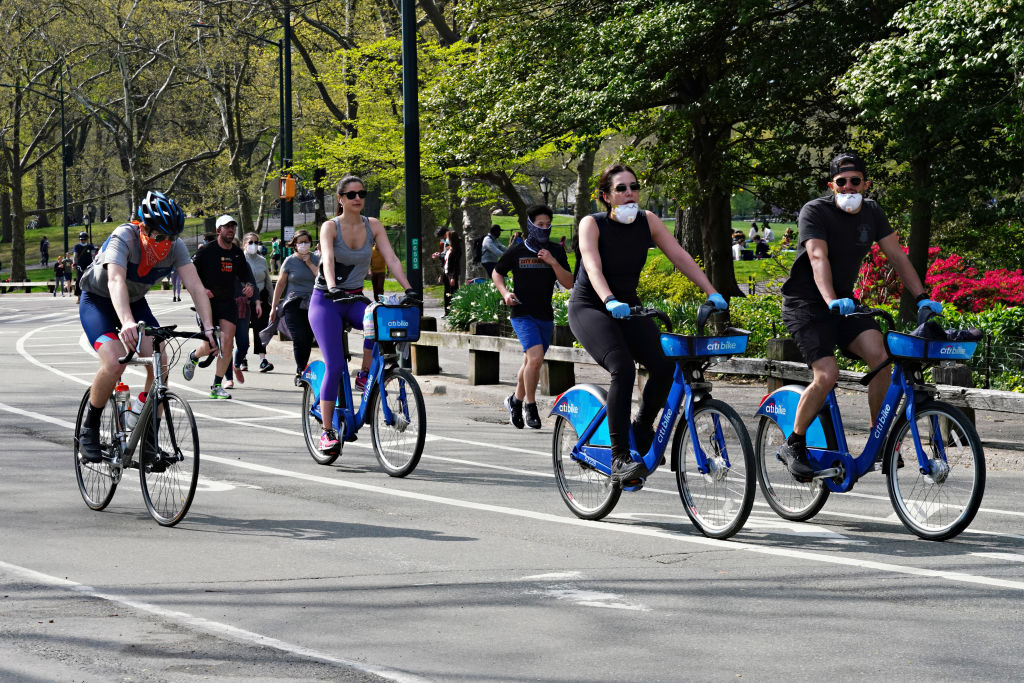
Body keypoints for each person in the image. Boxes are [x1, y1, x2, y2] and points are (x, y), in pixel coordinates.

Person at [776, 152, 942, 480]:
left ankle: (877, 438)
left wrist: (923, 298)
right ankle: (793, 442)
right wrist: (830, 299)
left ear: (866, 184)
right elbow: (817, 256)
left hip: (845, 305)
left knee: (882, 357)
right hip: (806, 304)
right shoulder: (815, 211)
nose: (849, 187)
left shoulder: (872, 213)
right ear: (831, 185)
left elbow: (896, 255)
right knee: (827, 374)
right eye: (842, 182)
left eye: (856, 181)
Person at [569, 164, 726, 485]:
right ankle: (619, 458)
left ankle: (642, 427)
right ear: (606, 196)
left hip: (628, 306)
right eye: (621, 188)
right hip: (591, 306)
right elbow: (592, 265)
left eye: (634, 187)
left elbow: (679, 256)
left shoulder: (648, 221)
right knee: (623, 368)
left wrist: (712, 291)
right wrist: (609, 299)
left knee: (666, 364)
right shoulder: (592, 224)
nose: (629, 193)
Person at [76, 190, 216, 463]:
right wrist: (126, 322)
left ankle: (148, 439)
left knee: (160, 362)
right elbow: (115, 281)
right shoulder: (124, 237)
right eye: (160, 237)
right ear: (143, 227)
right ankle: (88, 430)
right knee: (115, 362)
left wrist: (209, 329)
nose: (166, 243)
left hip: (136, 302)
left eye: (172, 237)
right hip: (99, 301)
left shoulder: (175, 248)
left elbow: (196, 287)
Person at [309, 175, 418, 456]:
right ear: (341, 199)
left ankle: (365, 373)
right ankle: (327, 432)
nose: (358, 198)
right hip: (327, 301)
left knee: (377, 317)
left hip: (355, 297)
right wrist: (332, 286)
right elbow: (328, 259)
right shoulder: (330, 227)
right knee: (334, 365)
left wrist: (408, 288)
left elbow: (391, 258)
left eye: (362, 193)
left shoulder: (373, 225)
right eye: (351, 194)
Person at [492, 204, 573, 429]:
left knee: (530, 362)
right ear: (530, 225)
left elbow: (569, 283)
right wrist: (505, 293)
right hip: (522, 312)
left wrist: (553, 262)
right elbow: (497, 272)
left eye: (548, 225)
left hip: (544, 313)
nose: (544, 229)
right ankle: (530, 405)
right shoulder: (517, 250)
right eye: (539, 225)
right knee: (536, 359)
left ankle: (514, 401)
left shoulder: (555, 250)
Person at [181, 214, 256, 399]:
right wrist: (202, 290)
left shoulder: (237, 253)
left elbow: (246, 274)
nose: (231, 229)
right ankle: (194, 356)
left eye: (233, 226)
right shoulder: (206, 251)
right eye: (226, 226)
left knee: (227, 342)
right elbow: (188, 275)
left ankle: (216, 386)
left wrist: (249, 287)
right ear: (218, 230)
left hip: (227, 302)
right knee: (210, 345)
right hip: (207, 303)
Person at [268, 230, 319, 383]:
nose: (304, 245)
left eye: (306, 241)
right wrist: (274, 307)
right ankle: (300, 370)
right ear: (295, 245)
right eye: (300, 242)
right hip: (293, 303)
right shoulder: (289, 261)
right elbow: (281, 284)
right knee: (299, 337)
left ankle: (304, 369)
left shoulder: (318, 259)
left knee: (308, 338)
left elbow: (321, 276)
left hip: (312, 303)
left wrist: (309, 262)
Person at [236, 231, 274, 374]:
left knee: (261, 329)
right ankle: (242, 358)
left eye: (256, 242)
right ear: (244, 244)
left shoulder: (262, 260)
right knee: (242, 329)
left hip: (261, 296)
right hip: (243, 298)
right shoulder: (239, 259)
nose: (253, 245)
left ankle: (262, 359)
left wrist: (272, 300)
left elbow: (267, 281)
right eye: (250, 242)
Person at [72, 231, 97, 304]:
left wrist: (94, 263)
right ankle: (79, 297)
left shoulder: (90, 246)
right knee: (78, 281)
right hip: (80, 266)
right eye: (81, 239)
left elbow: (93, 256)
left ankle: (90, 296)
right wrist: (74, 264)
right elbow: (75, 256)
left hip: (89, 266)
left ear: (87, 239)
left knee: (90, 280)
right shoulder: (77, 246)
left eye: (84, 239)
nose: (83, 241)